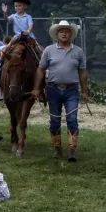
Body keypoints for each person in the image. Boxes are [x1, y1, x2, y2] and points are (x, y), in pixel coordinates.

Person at [32, 20, 89, 162]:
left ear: (71, 34)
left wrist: (85, 91)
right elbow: (40, 69)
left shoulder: (78, 51)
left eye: (67, 31)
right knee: (54, 120)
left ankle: (71, 151)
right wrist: (36, 88)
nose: (64, 33)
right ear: (56, 34)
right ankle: (57, 148)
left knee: (72, 119)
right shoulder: (48, 50)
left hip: (72, 90)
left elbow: (83, 72)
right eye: (61, 31)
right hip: (53, 89)